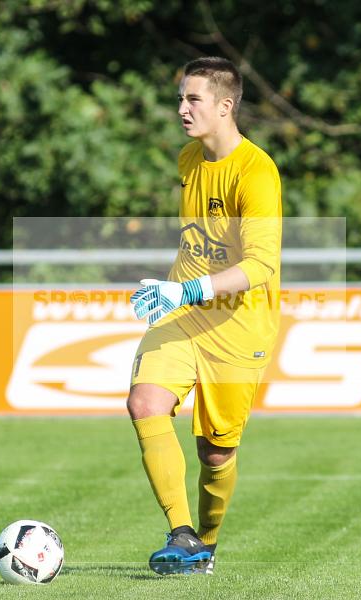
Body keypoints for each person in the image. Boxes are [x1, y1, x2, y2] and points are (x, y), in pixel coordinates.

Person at [127, 56, 283, 575]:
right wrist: (176, 291)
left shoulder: (257, 173)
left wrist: (190, 288)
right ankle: (181, 530)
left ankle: (205, 545)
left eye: (192, 99)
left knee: (215, 453)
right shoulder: (188, 159)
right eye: (180, 98)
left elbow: (260, 265)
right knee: (145, 402)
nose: (181, 109)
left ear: (225, 105)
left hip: (239, 328)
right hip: (184, 313)